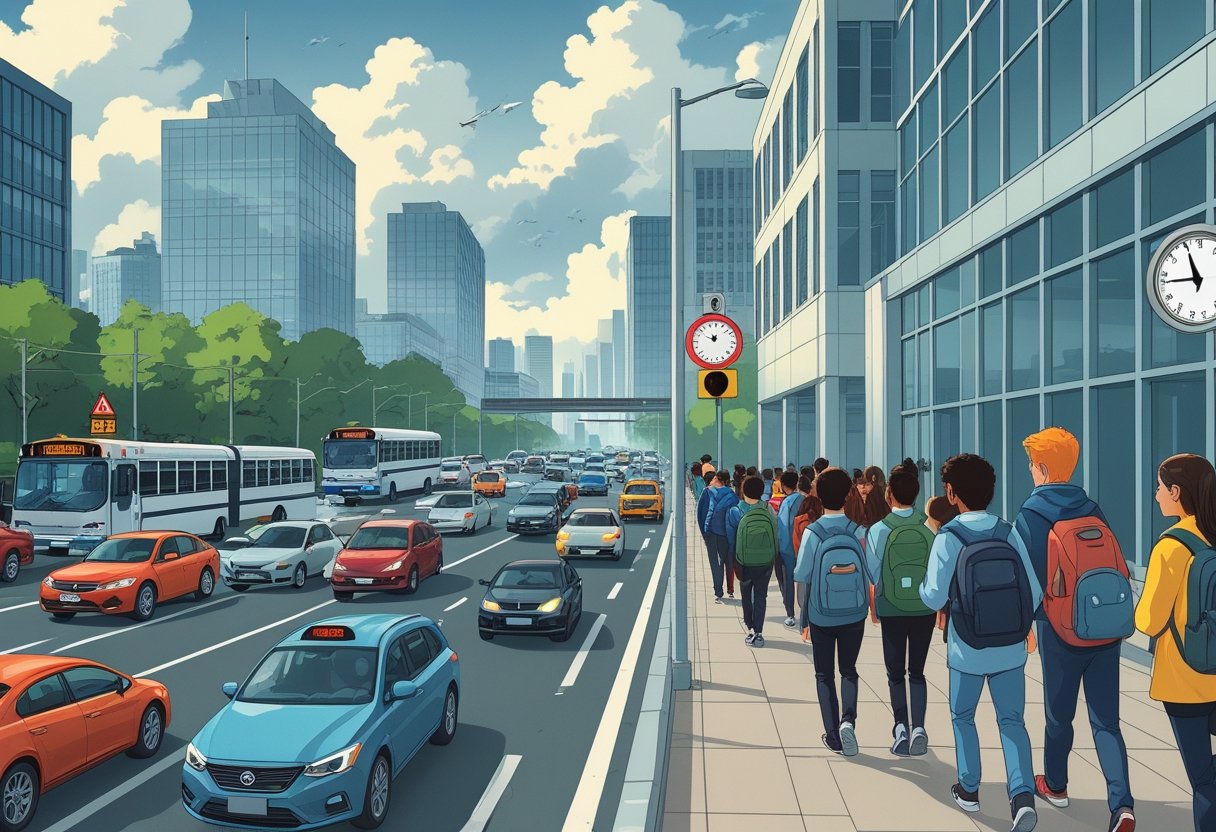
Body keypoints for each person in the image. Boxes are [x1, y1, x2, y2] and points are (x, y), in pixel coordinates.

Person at [1014, 428, 1135, 832]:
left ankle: (1057, 784)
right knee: (1107, 722)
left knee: (1058, 715)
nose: (1030, 470)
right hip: (1104, 626)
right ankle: (1121, 805)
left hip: (1059, 628)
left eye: (1032, 464)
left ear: (1044, 468)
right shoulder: (1092, 508)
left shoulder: (1032, 514)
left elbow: (1028, 578)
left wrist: (1027, 626)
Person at [919, 453, 1041, 832]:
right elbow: (1034, 593)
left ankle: (969, 789)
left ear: (951, 493)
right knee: (1012, 721)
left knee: (963, 716)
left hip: (967, 648)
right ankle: (1021, 796)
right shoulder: (1009, 532)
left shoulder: (948, 537)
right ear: (991, 491)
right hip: (1008, 648)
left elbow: (934, 598)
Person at [1135, 453, 1216, 832]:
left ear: (1176, 491)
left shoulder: (1171, 547)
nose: (1155, 495)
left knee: (1203, 780)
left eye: (1159, 487)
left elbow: (1148, 622)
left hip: (1185, 680)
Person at [794, 467, 869, 756]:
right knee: (848, 670)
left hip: (821, 613)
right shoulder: (859, 531)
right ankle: (849, 720)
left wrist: (804, 617)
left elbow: (803, 576)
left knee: (824, 674)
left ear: (819, 496)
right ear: (848, 494)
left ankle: (834, 735)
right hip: (854, 613)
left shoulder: (813, 532)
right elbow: (869, 574)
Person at [866, 458, 935, 758]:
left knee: (895, 672)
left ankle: (900, 728)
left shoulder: (879, 529)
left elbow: (872, 573)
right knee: (917, 671)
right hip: (923, 608)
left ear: (889, 493)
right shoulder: (928, 528)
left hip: (892, 605)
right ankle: (919, 726)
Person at [726, 475, 778, 647]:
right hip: (765, 559)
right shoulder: (768, 509)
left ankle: (749, 628)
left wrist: (732, 560)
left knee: (747, 595)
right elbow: (775, 532)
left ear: (743, 490)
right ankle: (759, 632)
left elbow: (731, 540)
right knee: (761, 595)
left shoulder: (735, 511)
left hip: (744, 560)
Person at [774, 471, 806, 628]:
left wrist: (781, 548)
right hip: (804, 546)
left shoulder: (787, 502)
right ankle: (806, 614)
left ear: (783, 485)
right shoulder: (805, 500)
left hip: (787, 548)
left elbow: (784, 527)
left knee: (786, 582)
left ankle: (790, 614)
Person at [702, 470, 739, 601]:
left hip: (711, 532)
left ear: (719, 480)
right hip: (727, 534)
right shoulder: (733, 496)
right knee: (727, 562)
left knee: (715, 563)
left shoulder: (708, 492)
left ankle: (718, 591)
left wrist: (704, 532)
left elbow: (701, 512)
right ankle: (729, 589)